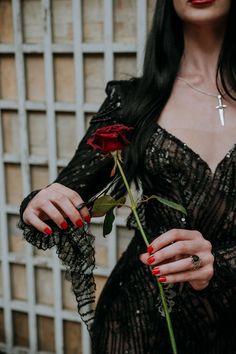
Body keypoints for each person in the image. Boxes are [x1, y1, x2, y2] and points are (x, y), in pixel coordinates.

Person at [19, 0, 236, 353]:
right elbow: (69, 191)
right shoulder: (132, 101)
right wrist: (40, 204)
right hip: (137, 321)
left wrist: (220, 264)